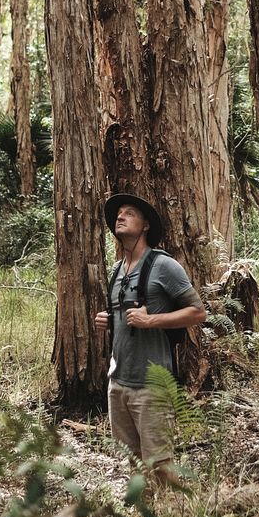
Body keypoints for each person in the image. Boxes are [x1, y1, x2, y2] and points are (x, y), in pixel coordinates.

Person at [93, 193, 206, 480]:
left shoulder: (163, 265)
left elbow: (197, 313)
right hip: (118, 384)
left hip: (152, 385)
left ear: (145, 226)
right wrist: (109, 320)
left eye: (129, 213)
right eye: (118, 213)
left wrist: (150, 320)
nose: (120, 216)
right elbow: (126, 316)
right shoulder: (118, 269)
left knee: (160, 465)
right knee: (133, 463)